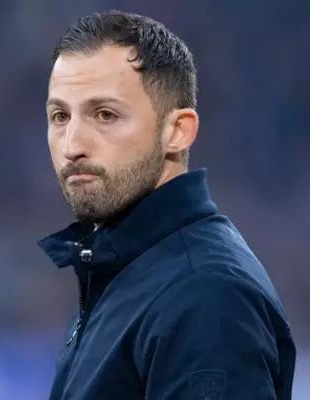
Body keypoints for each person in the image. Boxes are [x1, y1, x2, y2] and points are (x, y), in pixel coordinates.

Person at [38, 10, 296, 400]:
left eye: (105, 115)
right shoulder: (122, 272)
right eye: (60, 116)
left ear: (177, 131)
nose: (72, 145)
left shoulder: (204, 294)